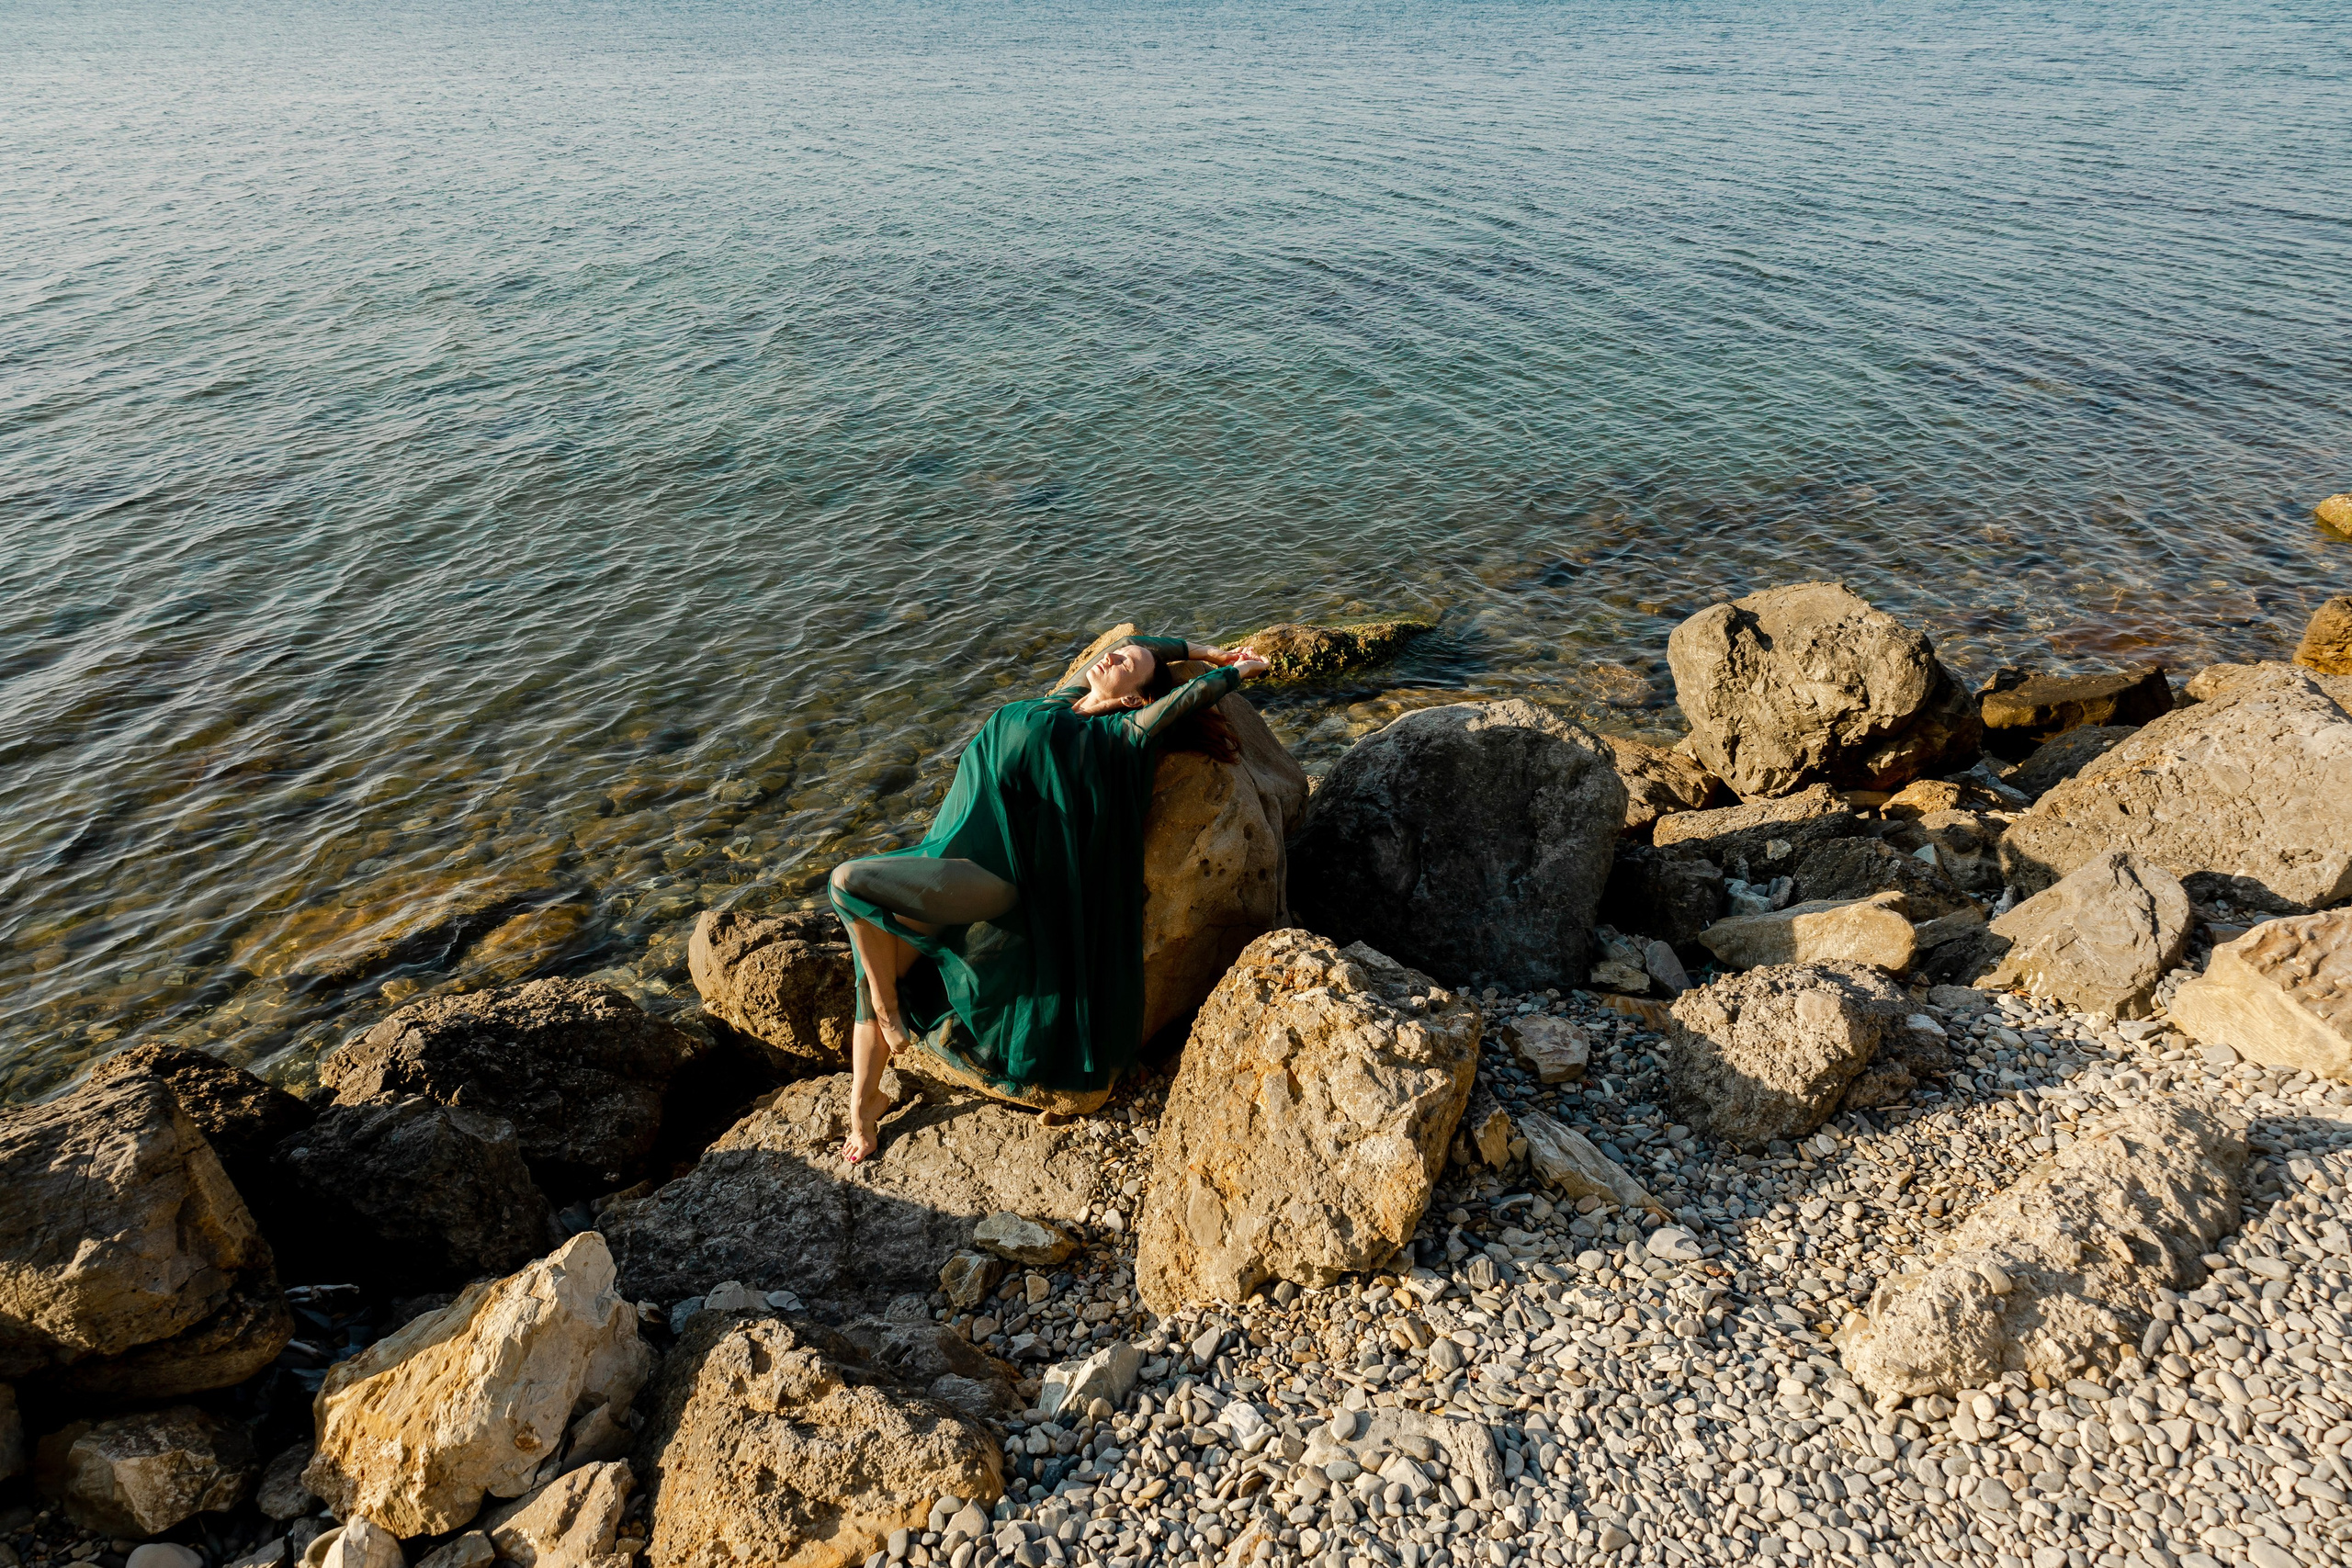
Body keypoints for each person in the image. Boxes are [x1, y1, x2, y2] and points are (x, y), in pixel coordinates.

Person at [827, 635, 1271, 1162]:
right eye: (1117, 650)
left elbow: (1184, 700)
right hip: (938, 861)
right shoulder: (1059, 701)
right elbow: (1146, 644)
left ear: (1133, 697)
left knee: (847, 881)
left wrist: (1240, 671)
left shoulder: (1117, 734)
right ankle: (865, 1103)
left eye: (1126, 662)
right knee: (873, 954)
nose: (1113, 655)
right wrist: (1202, 651)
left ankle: (888, 1008)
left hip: (986, 881)